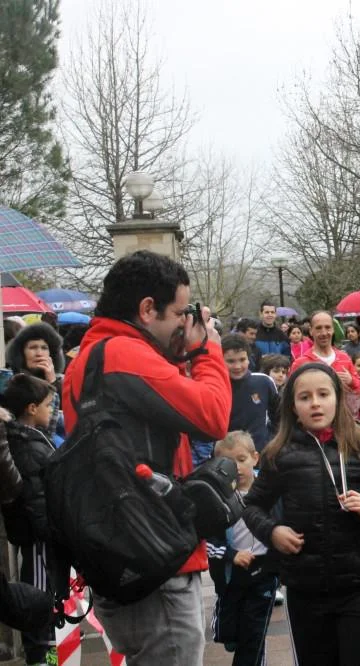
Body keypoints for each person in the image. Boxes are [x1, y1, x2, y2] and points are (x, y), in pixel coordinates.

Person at [62, 250, 229, 666]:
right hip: (157, 561)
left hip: (127, 550)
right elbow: (213, 416)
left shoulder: (94, 354)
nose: (185, 323)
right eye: (179, 313)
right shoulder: (124, 355)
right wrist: (206, 352)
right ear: (147, 309)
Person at [242, 362, 360, 666]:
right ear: (293, 407)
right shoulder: (280, 454)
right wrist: (272, 532)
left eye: (323, 394)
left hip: (358, 585)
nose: (315, 403)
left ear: (337, 398)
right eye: (305, 397)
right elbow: (252, 505)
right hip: (304, 588)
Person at [0, 374, 58, 665]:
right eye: (49, 405)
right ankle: (41, 659)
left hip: (44, 538)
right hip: (38, 540)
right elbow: (35, 498)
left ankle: (49, 657)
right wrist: (49, 531)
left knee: (48, 601)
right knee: (38, 600)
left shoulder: (31, 437)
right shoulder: (25, 444)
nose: (53, 410)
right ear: (32, 409)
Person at [207, 432, 278, 666]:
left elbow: (283, 519)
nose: (236, 468)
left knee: (254, 634)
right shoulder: (217, 497)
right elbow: (208, 542)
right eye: (228, 462)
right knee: (230, 632)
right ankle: (232, 635)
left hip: (264, 570)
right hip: (232, 574)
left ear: (255, 458)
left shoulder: (268, 490)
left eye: (241, 459)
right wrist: (231, 555)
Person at [290, 311, 360, 417]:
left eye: (327, 327)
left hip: (344, 419)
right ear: (311, 331)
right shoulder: (301, 363)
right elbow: (292, 397)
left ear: (333, 329)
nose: (324, 333)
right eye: (318, 328)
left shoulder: (344, 358)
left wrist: (351, 381)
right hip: (314, 422)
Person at [6, 322, 65, 441]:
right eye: (32, 347)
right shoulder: (12, 381)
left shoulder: (62, 382)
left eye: (44, 348)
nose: (39, 353)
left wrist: (53, 382)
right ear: (21, 353)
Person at [223, 335, 280, 453]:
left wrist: (271, 441)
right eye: (231, 361)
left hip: (261, 453)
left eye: (242, 360)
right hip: (226, 455)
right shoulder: (216, 387)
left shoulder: (264, 382)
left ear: (249, 359)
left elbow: (279, 416)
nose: (237, 366)